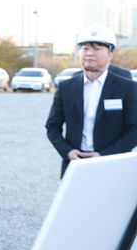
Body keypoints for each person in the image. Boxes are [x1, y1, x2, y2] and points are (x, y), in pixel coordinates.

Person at [46, 24, 137, 177]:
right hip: (75, 165)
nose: (90, 53)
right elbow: (52, 126)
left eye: (96, 49)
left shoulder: (126, 88)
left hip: (113, 165)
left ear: (110, 53)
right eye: (85, 48)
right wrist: (67, 151)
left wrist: (104, 155)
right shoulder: (66, 87)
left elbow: (134, 130)